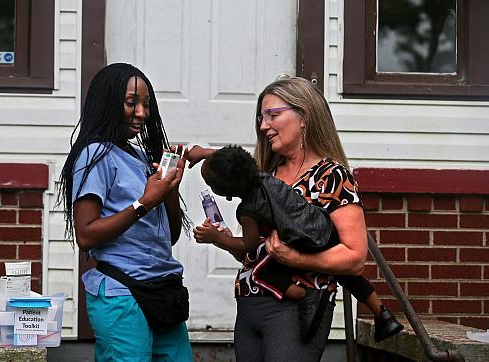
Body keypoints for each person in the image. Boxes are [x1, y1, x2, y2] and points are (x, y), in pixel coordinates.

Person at [189, 77, 402, 361]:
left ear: (303, 117)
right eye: (261, 118)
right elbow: (255, 254)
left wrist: (296, 259)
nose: (264, 126)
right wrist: (223, 239)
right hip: (251, 305)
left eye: (273, 115)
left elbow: (354, 258)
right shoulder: (266, 176)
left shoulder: (331, 176)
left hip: (298, 308)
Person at [194, 144, 403, 344]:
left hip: (303, 242)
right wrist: (204, 153)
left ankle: (306, 297)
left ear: (227, 193)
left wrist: (217, 237)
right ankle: (382, 314)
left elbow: (248, 245)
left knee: (264, 272)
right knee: (348, 276)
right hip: (323, 226)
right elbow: (233, 160)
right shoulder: (262, 176)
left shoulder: (248, 210)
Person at [58, 63, 193, 361]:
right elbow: (86, 234)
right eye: (132, 103)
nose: (142, 113)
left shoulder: (143, 157)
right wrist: (144, 202)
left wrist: (169, 189)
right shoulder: (94, 155)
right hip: (123, 293)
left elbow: (169, 236)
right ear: (108, 101)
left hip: (162, 289)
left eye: (146, 104)